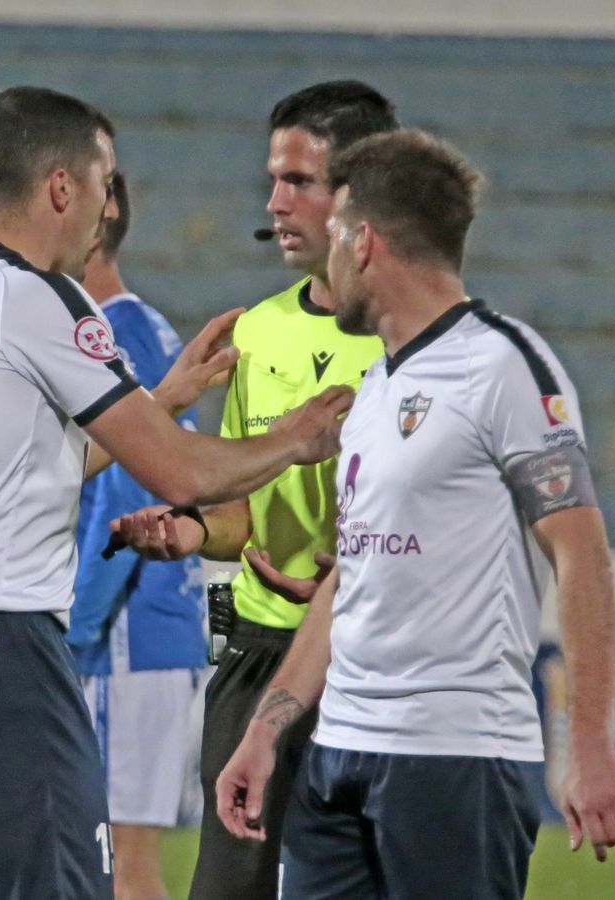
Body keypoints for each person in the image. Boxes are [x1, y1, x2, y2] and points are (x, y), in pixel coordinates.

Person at [0, 86, 353, 900]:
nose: (107, 207)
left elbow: (20, 468)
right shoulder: (38, 297)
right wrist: (296, 438)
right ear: (62, 187)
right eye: (104, 181)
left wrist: (156, 402)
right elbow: (183, 476)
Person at [213, 130, 615, 899]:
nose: (329, 256)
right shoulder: (377, 386)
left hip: (454, 755)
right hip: (338, 752)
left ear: (366, 241)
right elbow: (351, 577)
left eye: (338, 233)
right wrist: (266, 729)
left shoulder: (504, 366)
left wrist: (588, 742)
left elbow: (581, 552)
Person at [107, 81, 398, 900]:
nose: (274, 202)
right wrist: (194, 532)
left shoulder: (411, 338)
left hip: (372, 663)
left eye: (299, 181)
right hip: (259, 655)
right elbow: (242, 516)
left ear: (360, 192)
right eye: (274, 179)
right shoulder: (258, 331)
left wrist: (355, 573)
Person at [68, 173, 209, 900]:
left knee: (124, 863)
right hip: (156, 625)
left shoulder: (111, 335)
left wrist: (75, 625)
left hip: (126, 633)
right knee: (121, 858)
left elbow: (124, 488)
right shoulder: (147, 328)